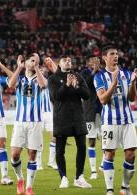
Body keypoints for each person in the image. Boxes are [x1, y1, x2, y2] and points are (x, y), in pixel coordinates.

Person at [94, 45, 137, 195]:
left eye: (117, 54)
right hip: (109, 122)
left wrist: (133, 82)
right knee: (109, 154)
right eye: (112, 54)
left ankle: (125, 187)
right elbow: (102, 100)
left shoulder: (126, 73)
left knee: (131, 154)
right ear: (104, 58)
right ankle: (109, 190)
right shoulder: (99, 76)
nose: (116, 56)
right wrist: (113, 83)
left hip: (127, 121)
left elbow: (132, 98)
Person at [48, 55, 92, 189]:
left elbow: (87, 95)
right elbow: (55, 96)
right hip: (61, 117)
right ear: (59, 63)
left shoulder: (78, 76)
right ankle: (64, 178)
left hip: (78, 117)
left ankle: (79, 177)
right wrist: (67, 85)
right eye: (65, 60)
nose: (68, 62)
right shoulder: (53, 78)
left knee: (82, 147)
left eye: (70, 60)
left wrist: (77, 86)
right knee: (60, 150)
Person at [8, 53, 47, 195]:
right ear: (26, 62)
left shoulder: (40, 78)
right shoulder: (20, 78)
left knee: (32, 154)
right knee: (15, 154)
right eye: (32, 60)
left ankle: (29, 188)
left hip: (35, 122)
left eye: (36, 61)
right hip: (20, 122)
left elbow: (43, 85)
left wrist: (37, 68)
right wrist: (19, 68)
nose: (34, 62)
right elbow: (11, 85)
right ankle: (20, 178)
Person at [80, 55, 103, 179]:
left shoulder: (103, 73)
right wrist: (94, 71)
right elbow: (86, 85)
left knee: (107, 140)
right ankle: (94, 171)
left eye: (98, 61)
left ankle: (104, 165)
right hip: (89, 110)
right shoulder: (83, 72)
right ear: (88, 62)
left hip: (103, 109)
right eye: (94, 61)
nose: (97, 62)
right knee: (92, 140)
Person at [36, 57, 58, 170]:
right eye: (40, 68)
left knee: (55, 137)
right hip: (37, 114)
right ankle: (38, 163)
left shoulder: (50, 81)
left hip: (49, 113)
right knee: (38, 139)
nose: (42, 70)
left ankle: (51, 161)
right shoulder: (34, 81)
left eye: (43, 69)